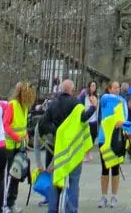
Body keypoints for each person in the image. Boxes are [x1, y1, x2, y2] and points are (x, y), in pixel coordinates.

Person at [39, 79, 94, 213]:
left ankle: (53, 208)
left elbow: (42, 125)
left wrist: (57, 131)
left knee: (55, 178)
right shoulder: (76, 103)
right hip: (73, 149)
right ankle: (71, 209)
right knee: (74, 181)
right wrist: (94, 107)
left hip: (56, 148)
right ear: (72, 90)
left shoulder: (53, 104)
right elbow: (84, 118)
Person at [4, 81, 36, 212]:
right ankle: (5, 204)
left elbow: (22, 126)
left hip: (20, 146)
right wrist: (17, 137)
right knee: (10, 175)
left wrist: (26, 134)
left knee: (17, 175)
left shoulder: (25, 106)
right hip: (10, 146)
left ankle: (12, 203)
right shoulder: (12, 105)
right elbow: (5, 125)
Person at [97, 80, 127, 208]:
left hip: (116, 139)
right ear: (109, 89)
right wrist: (117, 98)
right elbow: (105, 97)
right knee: (105, 169)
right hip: (104, 139)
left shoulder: (123, 101)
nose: (117, 89)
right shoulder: (105, 99)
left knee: (115, 169)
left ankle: (114, 196)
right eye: (115, 87)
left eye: (118, 87)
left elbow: (125, 118)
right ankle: (103, 196)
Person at [84, 81, 99, 161]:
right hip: (87, 120)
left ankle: (88, 152)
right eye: (92, 85)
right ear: (89, 87)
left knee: (93, 136)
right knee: (87, 138)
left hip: (94, 120)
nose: (94, 87)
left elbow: (97, 107)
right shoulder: (85, 96)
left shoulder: (97, 96)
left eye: (95, 85)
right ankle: (86, 154)